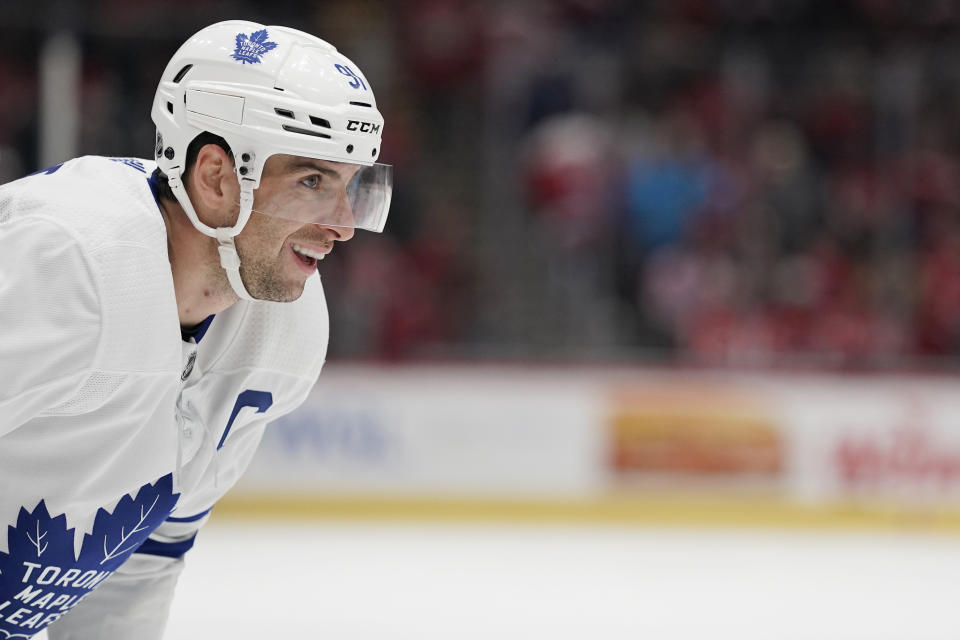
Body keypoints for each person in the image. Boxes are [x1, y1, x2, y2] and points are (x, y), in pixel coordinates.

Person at [0, 20, 391, 639]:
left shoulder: (284, 330)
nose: (343, 225)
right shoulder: (65, 264)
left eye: (353, 188)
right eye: (313, 181)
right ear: (215, 178)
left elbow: (135, 565)